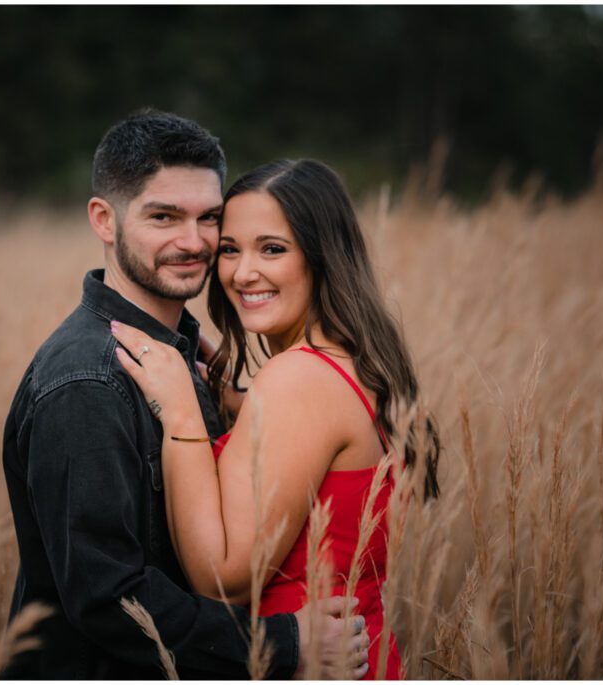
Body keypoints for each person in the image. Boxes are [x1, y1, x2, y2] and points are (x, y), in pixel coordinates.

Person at [0, 112, 370, 679]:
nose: (193, 241)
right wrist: (280, 645)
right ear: (104, 219)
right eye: (164, 216)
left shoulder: (187, 359)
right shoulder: (88, 381)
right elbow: (107, 597)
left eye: (209, 218)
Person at [110, 158, 441, 680]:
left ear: (322, 256)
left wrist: (181, 412)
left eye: (272, 249)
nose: (243, 273)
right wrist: (239, 403)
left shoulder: (298, 380)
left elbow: (222, 579)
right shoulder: (358, 361)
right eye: (230, 250)